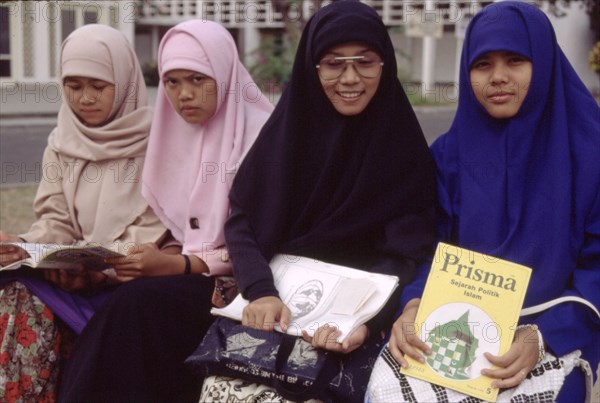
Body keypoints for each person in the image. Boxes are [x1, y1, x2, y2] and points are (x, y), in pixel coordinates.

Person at [200, 1, 438, 401]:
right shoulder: (287, 136)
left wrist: (363, 320)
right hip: (281, 304)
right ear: (312, 68)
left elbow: (405, 252)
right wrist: (260, 290)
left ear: (386, 65)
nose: (350, 78)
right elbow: (243, 221)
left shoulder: (403, 150)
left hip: (357, 318)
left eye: (365, 61)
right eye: (333, 63)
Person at [370, 2, 600, 402]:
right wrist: (414, 305)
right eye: (482, 65)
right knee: (385, 388)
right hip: (459, 327)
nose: (498, 78)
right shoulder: (448, 156)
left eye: (515, 61)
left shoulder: (590, 154)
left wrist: (544, 335)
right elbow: (431, 249)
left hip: (559, 326)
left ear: (543, 63)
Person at [57, 20, 273, 403]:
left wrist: (182, 264)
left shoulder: (264, 137)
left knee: (136, 306)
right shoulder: (176, 135)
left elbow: (264, 240)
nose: (184, 95)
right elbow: (182, 231)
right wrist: (155, 257)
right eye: (172, 82)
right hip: (192, 275)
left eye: (197, 79)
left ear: (223, 72)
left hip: (252, 284)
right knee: (134, 303)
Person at [0, 24, 167, 402]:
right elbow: (55, 218)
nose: (84, 99)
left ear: (123, 83)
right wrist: (26, 247)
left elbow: (155, 229)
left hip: (131, 284)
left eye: (98, 86)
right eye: (73, 86)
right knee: (14, 292)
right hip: (73, 279)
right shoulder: (63, 142)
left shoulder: (162, 141)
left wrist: (101, 271)